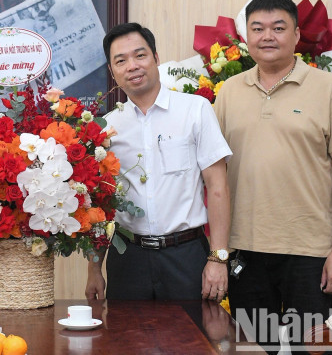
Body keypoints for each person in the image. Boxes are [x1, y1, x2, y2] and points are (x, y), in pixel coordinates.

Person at [214, 0, 332, 353]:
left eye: (278, 28)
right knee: (253, 348)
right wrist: (218, 252)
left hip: (309, 252)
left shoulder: (327, 88)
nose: (268, 36)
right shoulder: (230, 92)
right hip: (244, 251)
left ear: (297, 35)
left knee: (310, 349)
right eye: (258, 28)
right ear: (245, 37)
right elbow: (212, 174)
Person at [85, 23, 232, 301]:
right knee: (127, 342)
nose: (132, 66)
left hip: (186, 255)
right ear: (112, 71)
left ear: (156, 58)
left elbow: (218, 187)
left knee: (191, 343)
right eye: (121, 60)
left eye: (140, 55)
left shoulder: (194, 110)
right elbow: (100, 206)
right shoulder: (108, 128)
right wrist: (94, 269)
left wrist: (218, 258)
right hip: (128, 258)